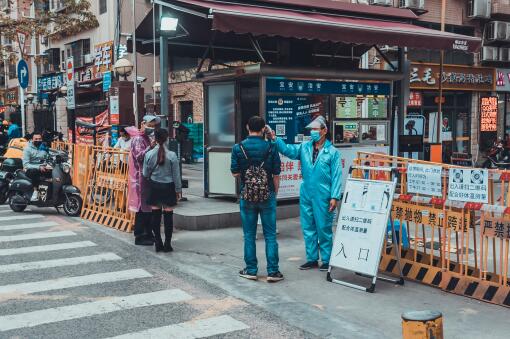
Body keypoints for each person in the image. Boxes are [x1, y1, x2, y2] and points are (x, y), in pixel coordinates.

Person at [270, 115, 342, 272]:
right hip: (306, 193)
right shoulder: (304, 147)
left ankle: (327, 259)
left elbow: (337, 175)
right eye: (312, 130)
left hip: (324, 194)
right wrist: (276, 139)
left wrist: (335, 197)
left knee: (323, 227)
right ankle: (311, 259)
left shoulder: (332, 152)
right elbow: (288, 150)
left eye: (316, 129)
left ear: (324, 131)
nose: (313, 132)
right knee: (308, 226)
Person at [231, 116, 284, 282]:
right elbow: (276, 174)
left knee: (249, 235)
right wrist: (274, 192)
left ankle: (251, 269)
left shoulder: (238, 147)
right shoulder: (271, 147)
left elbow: (235, 172)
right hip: (267, 195)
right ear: (263, 129)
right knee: (270, 235)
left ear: (247, 127)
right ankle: (273, 271)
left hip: (247, 196)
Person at [143, 128, 181, 252]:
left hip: (154, 186)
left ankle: (158, 242)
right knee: (168, 216)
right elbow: (176, 176)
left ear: (155, 139)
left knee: (155, 216)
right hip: (168, 187)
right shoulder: (172, 155)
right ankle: (167, 244)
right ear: (167, 139)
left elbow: (145, 173)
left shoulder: (148, 154)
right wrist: (178, 190)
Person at [127, 115, 161, 246]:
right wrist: (150, 148)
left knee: (148, 207)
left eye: (153, 126)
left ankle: (148, 233)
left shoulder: (147, 138)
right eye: (150, 125)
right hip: (139, 177)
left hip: (147, 177)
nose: (151, 128)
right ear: (143, 124)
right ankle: (140, 235)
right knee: (142, 208)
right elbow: (139, 157)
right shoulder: (137, 139)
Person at [22, 132, 50, 201]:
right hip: (30, 169)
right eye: (36, 139)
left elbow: (48, 157)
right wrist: (39, 167)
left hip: (43, 168)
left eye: (40, 139)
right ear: (32, 139)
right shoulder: (27, 149)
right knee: (34, 171)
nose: (38, 140)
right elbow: (26, 164)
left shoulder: (43, 147)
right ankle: (35, 191)